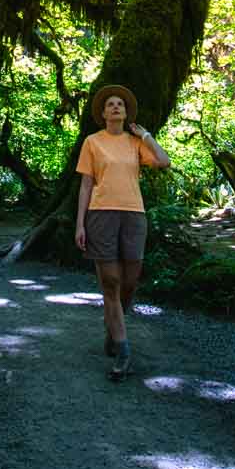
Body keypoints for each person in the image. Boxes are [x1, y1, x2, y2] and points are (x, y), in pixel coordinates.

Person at [75, 84, 171, 380]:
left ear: (126, 113)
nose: (115, 107)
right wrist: (80, 223)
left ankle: (112, 327)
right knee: (111, 282)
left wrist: (146, 135)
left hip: (134, 214)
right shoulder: (92, 141)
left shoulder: (135, 142)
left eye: (120, 104)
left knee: (130, 280)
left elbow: (164, 162)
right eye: (110, 105)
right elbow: (87, 184)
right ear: (103, 113)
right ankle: (122, 347)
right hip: (101, 214)